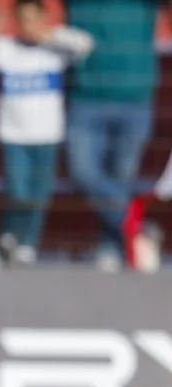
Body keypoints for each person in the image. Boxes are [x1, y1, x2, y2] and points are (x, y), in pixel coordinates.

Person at [0, 1, 93, 266]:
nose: (29, 26)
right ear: (16, 21)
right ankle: (8, 237)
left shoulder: (55, 51)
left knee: (40, 193)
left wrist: (51, 34)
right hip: (14, 135)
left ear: (44, 19)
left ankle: (27, 243)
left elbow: (84, 44)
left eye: (34, 19)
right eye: (23, 20)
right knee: (17, 189)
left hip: (47, 135)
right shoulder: (7, 49)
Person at [65, 0, 162, 272]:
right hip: (86, 97)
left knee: (121, 178)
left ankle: (111, 247)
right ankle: (138, 228)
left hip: (135, 97)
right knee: (82, 172)